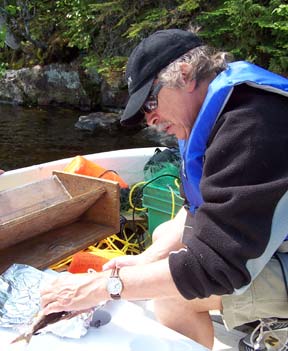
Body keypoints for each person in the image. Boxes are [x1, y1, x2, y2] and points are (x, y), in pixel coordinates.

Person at [41, 29, 288, 350]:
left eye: (150, 102)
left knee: (171, 298)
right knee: (162, 239)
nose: (150, 119)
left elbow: (219, 267)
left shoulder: (253, 123)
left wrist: (106, 285)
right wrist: (147, 259)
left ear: (185, 75)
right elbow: (194, 210)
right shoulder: (218, 120)